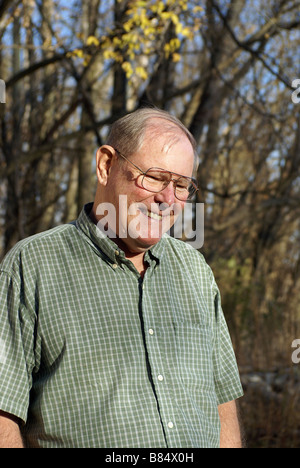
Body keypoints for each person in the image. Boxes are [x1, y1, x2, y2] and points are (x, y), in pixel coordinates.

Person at [0, 108, 243, 448]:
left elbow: (222, 399)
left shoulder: (195, 272)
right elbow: (3, 414)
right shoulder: (33, 265)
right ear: (105, 165)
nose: (168, 199)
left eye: (182, 185)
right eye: (155, 177)